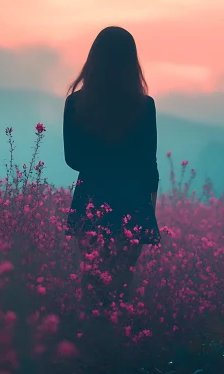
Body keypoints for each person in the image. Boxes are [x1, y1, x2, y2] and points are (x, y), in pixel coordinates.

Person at [63, 26, 161, 308]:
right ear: (132, 62)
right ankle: (116, 333)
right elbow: (149, 164)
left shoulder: (75, 103)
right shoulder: (145, 106)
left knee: (92, 281)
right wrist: (149, 210)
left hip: (91, 198)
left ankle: (90, 332)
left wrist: (101, 158)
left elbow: (73, 159)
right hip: (133, 202)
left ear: (94, 59)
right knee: (121, 285)